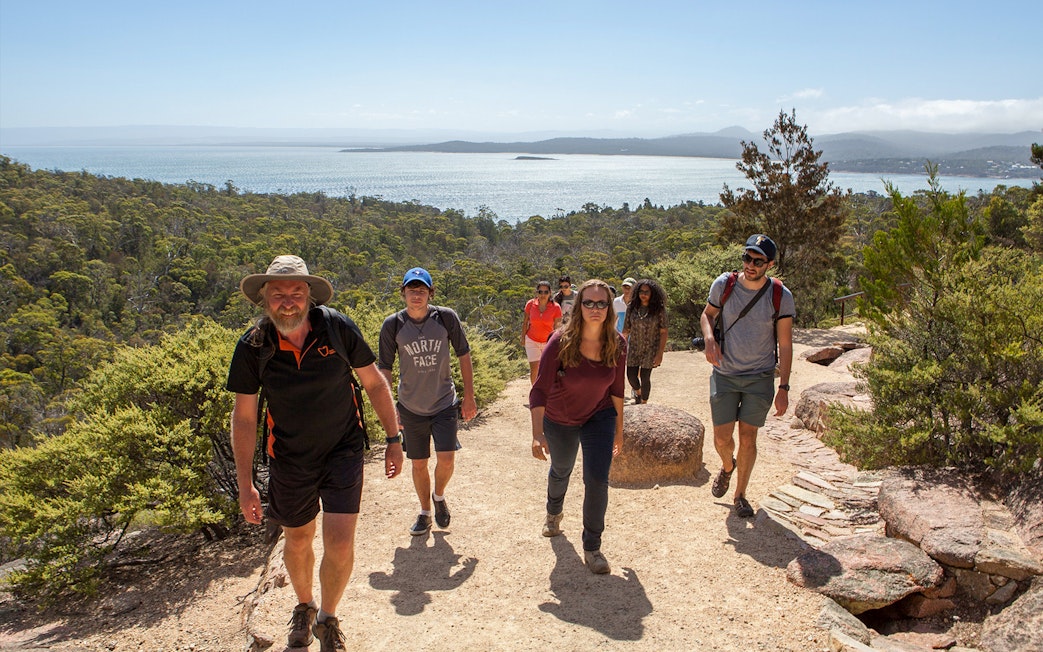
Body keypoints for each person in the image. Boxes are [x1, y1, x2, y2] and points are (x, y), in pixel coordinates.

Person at [228, 255, 403, 652]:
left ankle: (327, 618)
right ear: (264, 300)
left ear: (309, 296)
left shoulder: (336, 328)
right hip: (288, 457)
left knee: (340, 542)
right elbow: (244, 416)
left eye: (296, 292)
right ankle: (303, 606)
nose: (287, 301)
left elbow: (374, 384)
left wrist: (394, 438)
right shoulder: (254, 346)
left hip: (342, 449)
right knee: (299, 538)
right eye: (278, 294)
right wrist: (245, 484)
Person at [530, 279, 626, 575]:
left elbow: (618, 390)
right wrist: (537, 435)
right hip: (562, 417)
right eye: (589, 303)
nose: (595, 309)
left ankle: (592, 547)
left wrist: (619, 431)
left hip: (600, 415)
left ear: (610, 308)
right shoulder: (559, 341)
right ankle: (553, 512)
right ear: (579, 306)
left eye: (601, 303)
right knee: (562, 469)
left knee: (597, 479)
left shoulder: (617, 343)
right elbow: (539, 390)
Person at [699, 235, 795, 519]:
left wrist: (784, 387)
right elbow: (708, 315)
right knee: (721, 438)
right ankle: (728, 466)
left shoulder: (780, 295)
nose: (750, 265)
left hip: (759, 377)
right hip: (725, 373)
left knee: (748, 437)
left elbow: (786, 344)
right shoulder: (724, 285)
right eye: (747, 258)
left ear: (770, 264)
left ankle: (740, 495)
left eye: (758, 261)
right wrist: (708, 339)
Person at [379, 267, 478, 536]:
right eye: (411, 290)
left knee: (446, 460)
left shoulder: (445, 318)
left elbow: (464, 355)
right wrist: (391, 409)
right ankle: (424, 512)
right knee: (419, 463)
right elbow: (384, 369)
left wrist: (469, 396)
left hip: (444, 402)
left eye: (421, 290)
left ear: (430, 293)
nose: (416, 295)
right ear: (403, 293)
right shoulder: (393, 325)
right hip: (411, 407)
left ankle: (439, 495)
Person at [621, 278, 668, 404]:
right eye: (641, 291)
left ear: (652, 293)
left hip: (651, 348)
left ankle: (644, 404)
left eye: (647, 292)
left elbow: (663, 332)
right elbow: (626, 330)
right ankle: (638, 393)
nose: (644, 294)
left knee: (645, 377)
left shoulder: (659, 309)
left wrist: (660, 354)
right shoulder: (632, 307)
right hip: (634, 347)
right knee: (631, 376)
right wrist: (618, 345)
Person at [521, 280, 564, 385]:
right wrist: (523, 338)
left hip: (548, 342)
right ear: (537, 293)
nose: (543, 295)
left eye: (546, 292)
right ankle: (535, 395)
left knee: (547, 369)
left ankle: (548, 394)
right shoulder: (530, 304)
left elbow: (557, 328)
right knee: (534, 369)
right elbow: (525, 322)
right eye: (540, 292)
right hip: (532, 340)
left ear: (550, 293)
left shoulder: (556, 307)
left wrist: (558, 343)